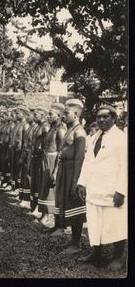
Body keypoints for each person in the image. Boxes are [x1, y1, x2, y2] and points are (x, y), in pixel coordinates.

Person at [77, 105, 127, 269]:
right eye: (99, 117)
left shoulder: (121, 138)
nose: (101, 120)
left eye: (106, 117)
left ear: (114, 118)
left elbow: (125, 166)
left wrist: (121, 191)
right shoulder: (94, 137)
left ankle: (118, 257)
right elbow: (88, 161)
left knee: (115, 224)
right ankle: (96, 254)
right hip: (94, 189)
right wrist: (82, 182)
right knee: (94, 223)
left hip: (112, 190)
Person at [52, 99, 86, 254]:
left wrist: (75, 182)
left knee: (75, 207)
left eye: (66, 113)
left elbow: (79, 158)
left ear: (76, 113)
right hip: (65, 169)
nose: (63, 116)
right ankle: (72, 240)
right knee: (66, 204)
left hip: (73, 170)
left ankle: (77, 243)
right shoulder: (69, 129)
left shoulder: (80, 132)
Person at [38, 103, 67, 229]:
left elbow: (61, 151)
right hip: (46, 159)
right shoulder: (51, 128)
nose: (47, 116)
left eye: (51, 114)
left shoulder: (61, 129)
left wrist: (55, 171)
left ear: (59, 115)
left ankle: (51, 218)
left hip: (53, 159)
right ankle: (44, 214)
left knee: (51, 189)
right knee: (44, 187)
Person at [30, 106, 50, 219]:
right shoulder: (39, 126)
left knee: (40, 183)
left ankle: (40, 208)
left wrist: (42, 153)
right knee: (36, 181)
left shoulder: (45, 127)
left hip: (41, 157)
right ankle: (35, 205)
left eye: (36, 115)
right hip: (36, 156)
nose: (34, 117)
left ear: (42, 115)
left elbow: (47, 143)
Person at [18, 108, 36, 209]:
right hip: (26, 154)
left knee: (29, 176)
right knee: (24, 175)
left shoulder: (34, 128)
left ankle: (28, 199)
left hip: (30, 155)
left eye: (29, 115)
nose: (27, 117)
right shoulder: (30, 127)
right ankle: (24, 197)